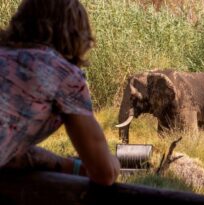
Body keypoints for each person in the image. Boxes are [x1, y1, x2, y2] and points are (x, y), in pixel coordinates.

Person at [0, 0, 120, 185]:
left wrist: (67, 165)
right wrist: (116, 162)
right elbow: (104, 172)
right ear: (76, 34)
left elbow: (10, 148)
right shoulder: (63, 74)